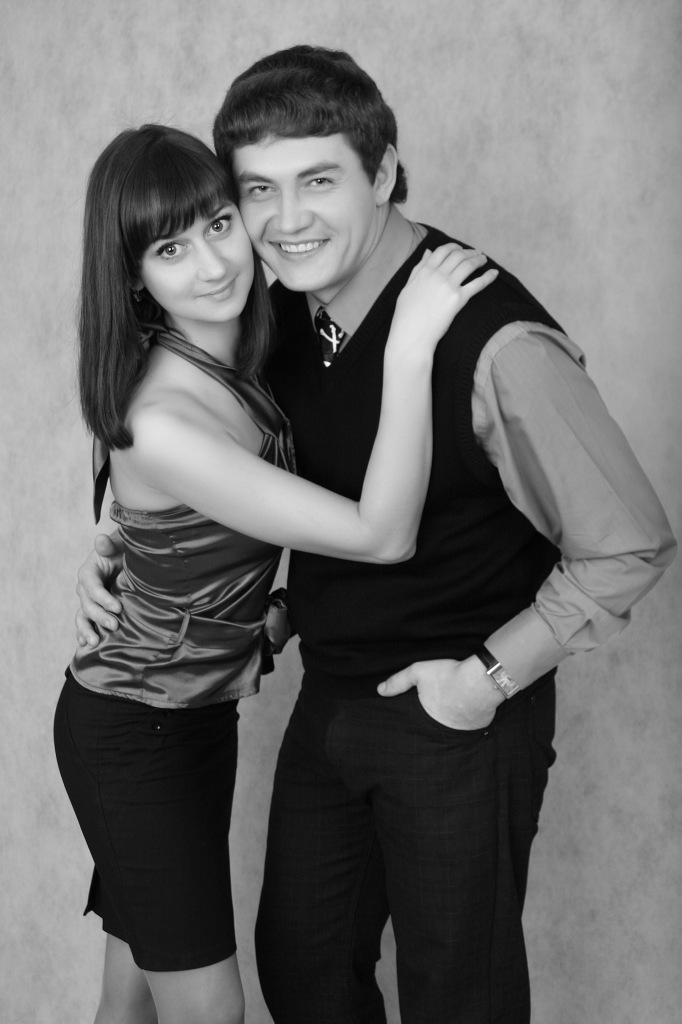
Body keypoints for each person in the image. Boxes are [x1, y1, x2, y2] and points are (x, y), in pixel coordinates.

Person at [74, 48, 677, 1024]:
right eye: (256, 192)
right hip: (329, 698)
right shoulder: (276, 311)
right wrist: (123, 552)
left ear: (385, 170)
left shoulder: (495, 344)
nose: (285, 221)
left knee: (457, 996)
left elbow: (630, 540)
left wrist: (485, 679)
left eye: (318, 181)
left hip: (458, 713)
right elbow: (183, 434)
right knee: (305, 977)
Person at [55, 122, 497, 1024]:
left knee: (128, 999)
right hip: (133, 731)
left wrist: (263, 610)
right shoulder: (165, 418)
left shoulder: (254, 347)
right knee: (209, 1010)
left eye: (220, 224)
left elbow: (174, 539)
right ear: (134, 278)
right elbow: (380, 535)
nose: (214, 264)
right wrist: (411, 344)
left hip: (195, 719)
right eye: (170, 251)